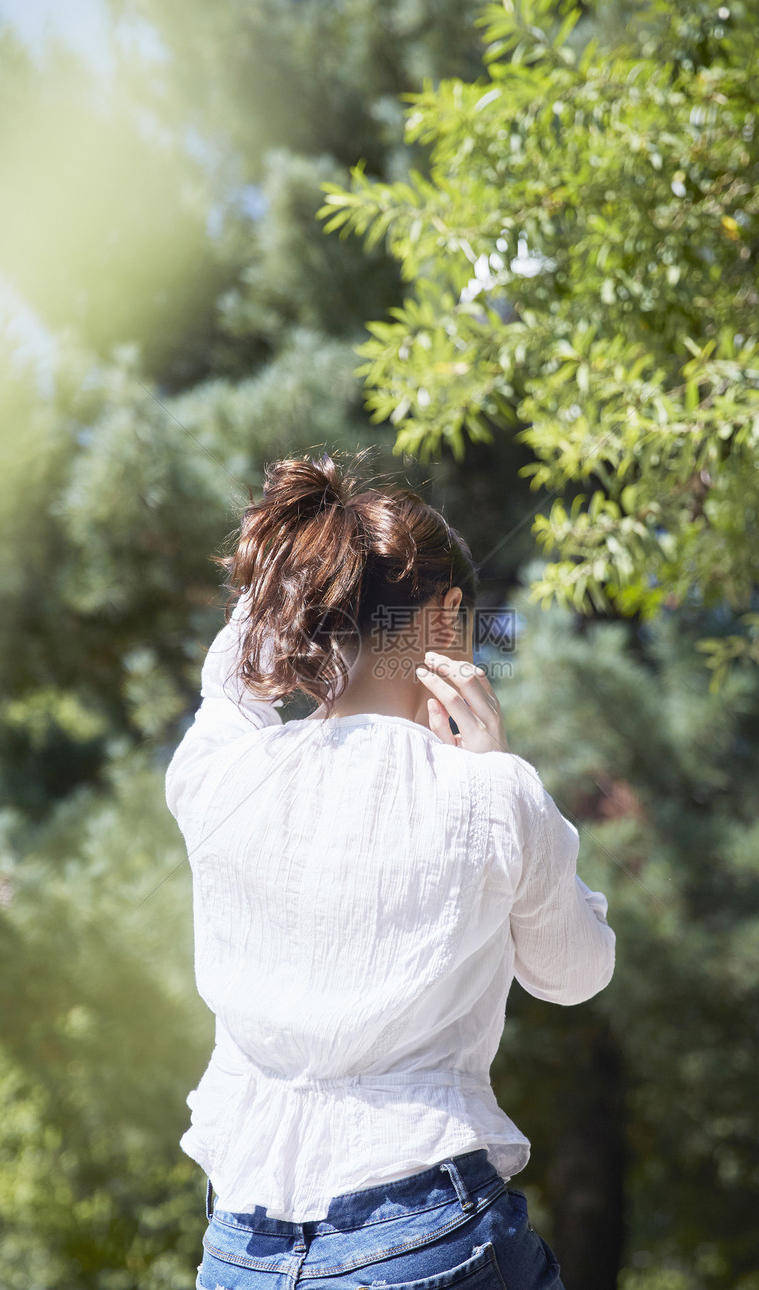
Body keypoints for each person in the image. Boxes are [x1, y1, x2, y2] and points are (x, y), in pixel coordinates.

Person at [164, 450, 616, 1290]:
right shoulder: (492, 792)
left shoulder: (214, 774)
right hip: (430, 1229)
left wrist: (291, 593)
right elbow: (575, 973)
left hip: (242, 1251)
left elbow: (227, 679)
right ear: (447, 619)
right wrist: (500, 769)